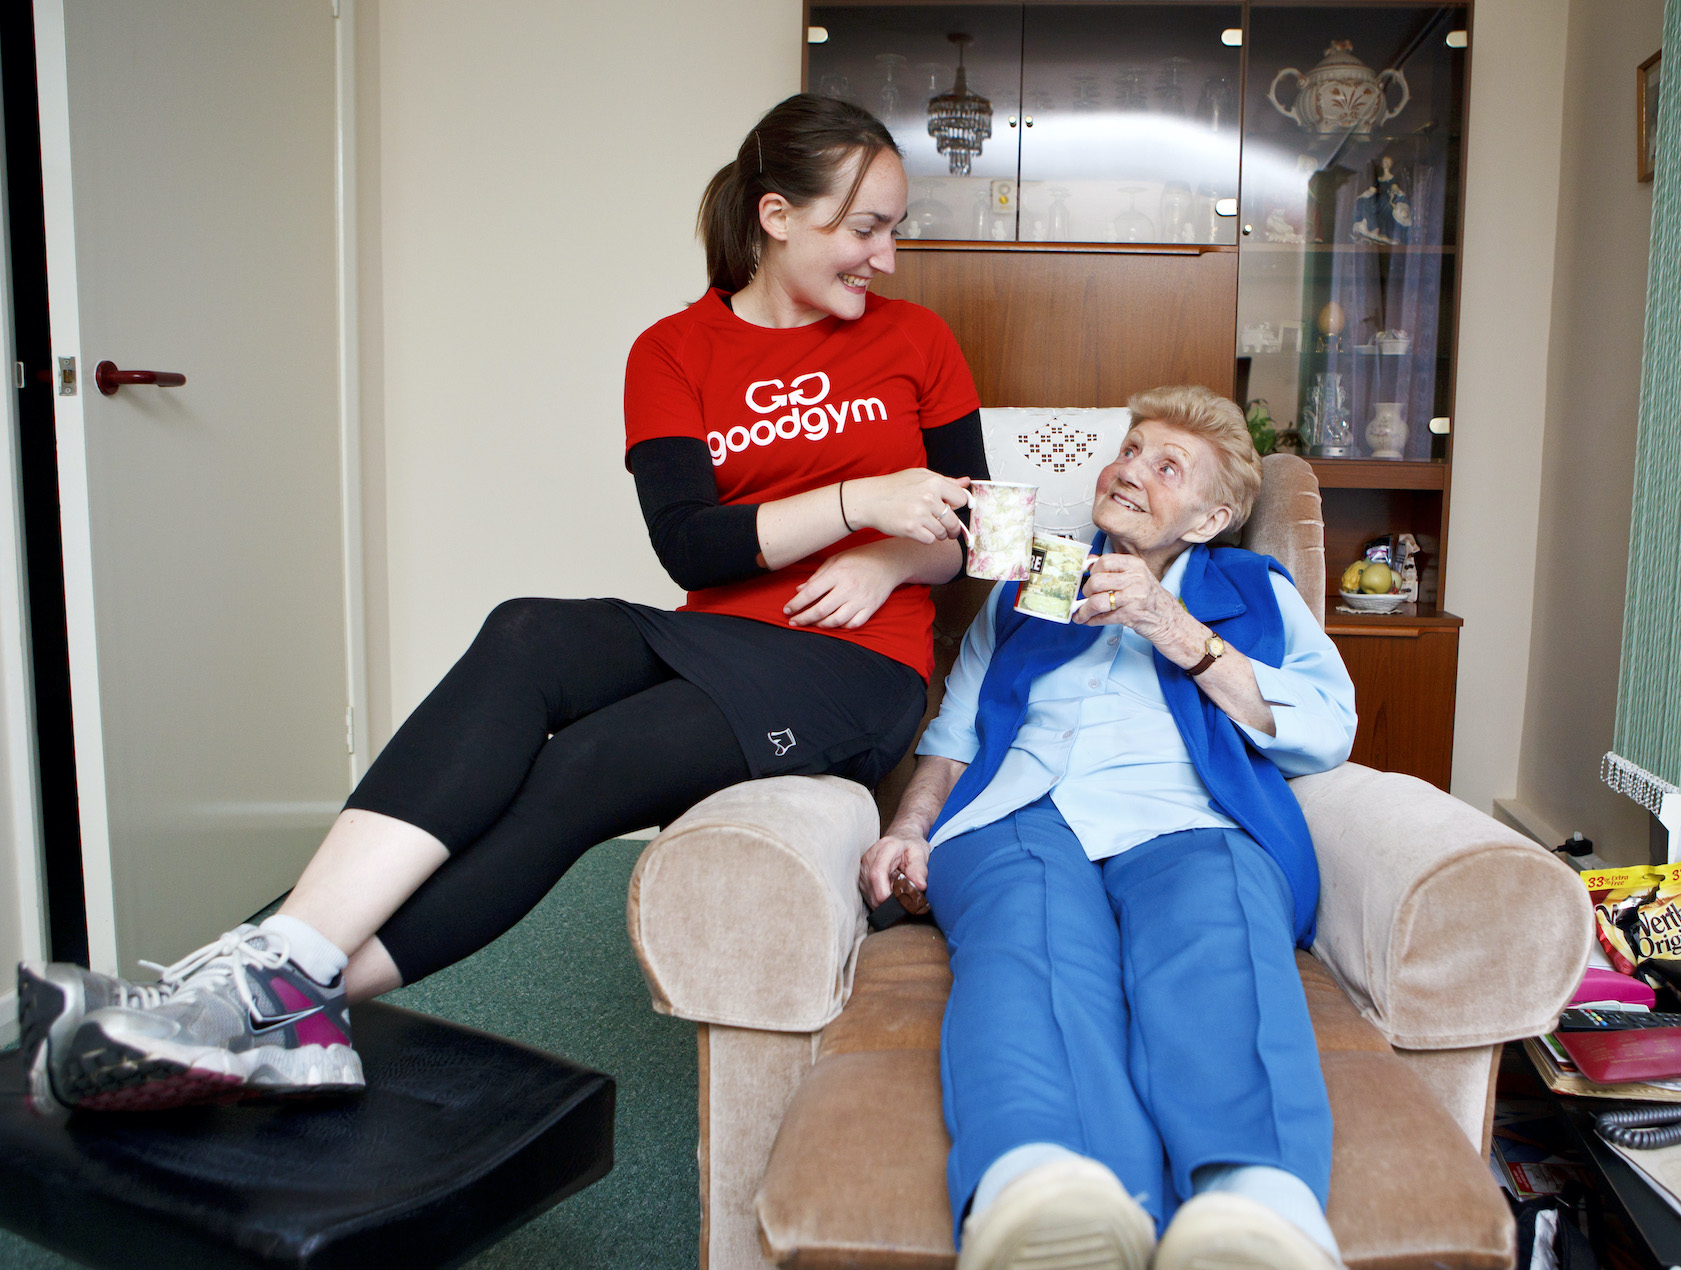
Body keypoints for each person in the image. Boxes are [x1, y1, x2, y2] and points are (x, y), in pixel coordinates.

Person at [18, 93, 986, 1114]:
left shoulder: (917, 340)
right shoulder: (674, 350)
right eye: (866, 228)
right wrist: (854, 498)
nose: (886, 257)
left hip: (858, 667)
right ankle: (276, 971)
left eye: (896, 231)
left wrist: (884, 556)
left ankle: (249, 994)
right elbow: (688, 541)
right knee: (528, 628)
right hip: (714, 632)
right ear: (779, 215)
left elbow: (982, 535)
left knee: (587, 764)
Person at [857, 386, 1357, 1270]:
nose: (1129, 469)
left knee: (1219, 928)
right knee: (1027, 935)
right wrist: (912, 825)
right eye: (1129, 449)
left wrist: (1173, 626)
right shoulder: (1041, 572)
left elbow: (1326, 727)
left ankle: (1258, 1208)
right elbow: (961, 724)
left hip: (1187, 812)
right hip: (1021, 808)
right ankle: (1043, 1193)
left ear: (1208, 520)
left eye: (1166, 465)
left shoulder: (1250, 588)